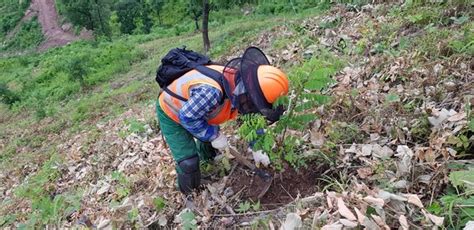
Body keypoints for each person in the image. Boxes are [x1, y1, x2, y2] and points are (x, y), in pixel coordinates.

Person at [155, 47, 289, 194]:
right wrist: (213, 136)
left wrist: (257, 146)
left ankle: (207, 161)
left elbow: (251, 116)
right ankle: (190, 196)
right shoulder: (211, 92)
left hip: (200, 109)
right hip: (172, 110)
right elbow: (187, 117)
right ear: (251, 92)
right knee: (189, 162)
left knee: (209, 146)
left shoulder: (244, 84)